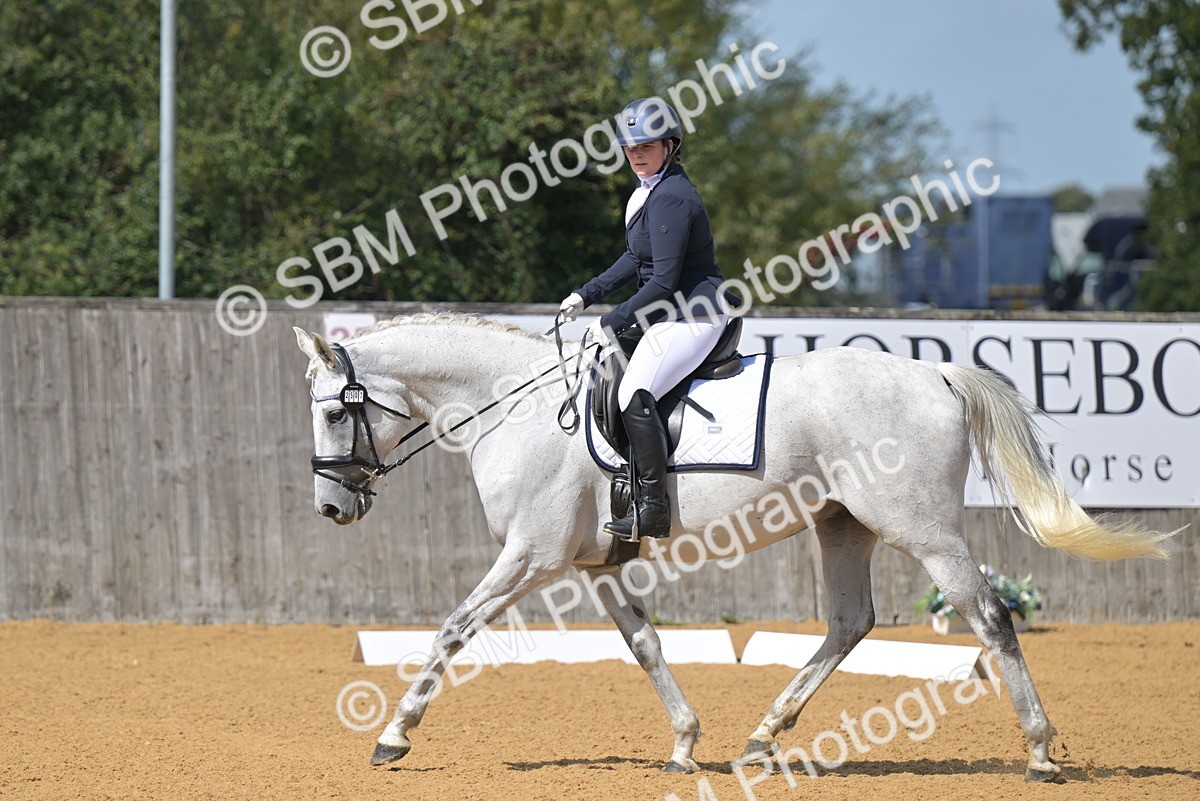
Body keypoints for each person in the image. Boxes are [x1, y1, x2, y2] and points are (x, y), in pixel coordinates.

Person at [558, 97, 732, 541]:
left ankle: (653, 507)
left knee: (635, 391)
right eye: (630, 147)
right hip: (669, 312)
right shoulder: (650, 189)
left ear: (670, 145)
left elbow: (666, 280)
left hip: (695, 312)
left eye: (646, 146)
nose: (636, 154)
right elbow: (636, 258)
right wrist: (587, 292)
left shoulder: (672, 196)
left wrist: (613, 320)